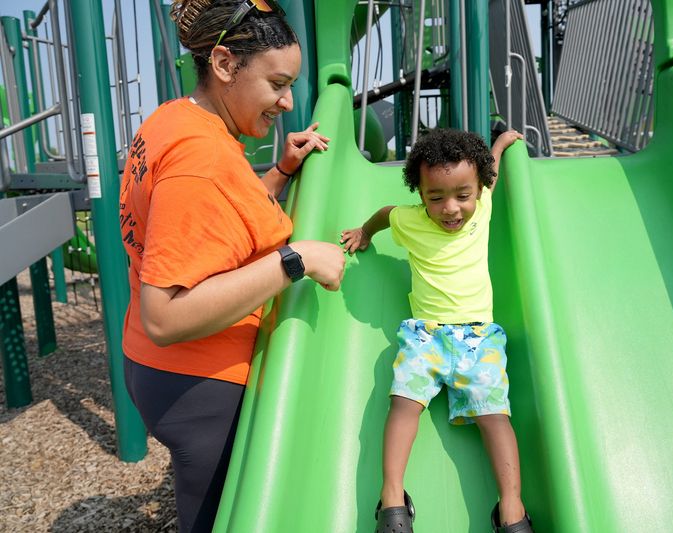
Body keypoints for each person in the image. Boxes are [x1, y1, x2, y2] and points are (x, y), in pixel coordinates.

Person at [118, 1, 345, 531]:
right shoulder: (201, 159)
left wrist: (280, 173)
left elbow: (215, 226)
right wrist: (297, 260)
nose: (287, 102)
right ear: (223, 63)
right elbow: (166, 315)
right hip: (199, 380)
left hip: (156, 366)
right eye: (277, 84)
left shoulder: (174, 117)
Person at [341, 128, 534, 533]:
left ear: (478, 189)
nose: (450, 208)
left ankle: (511, 505)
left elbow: (493, 172)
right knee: (403, 403)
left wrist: (498, 146)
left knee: (495, 416)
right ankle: (392, 498)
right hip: (425, 336)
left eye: (462, 195)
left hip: (478, 339)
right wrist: (363, 232)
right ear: (421, 194)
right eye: (435, 198)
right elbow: (383, 215)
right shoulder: (408, 219)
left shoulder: (482, 207)